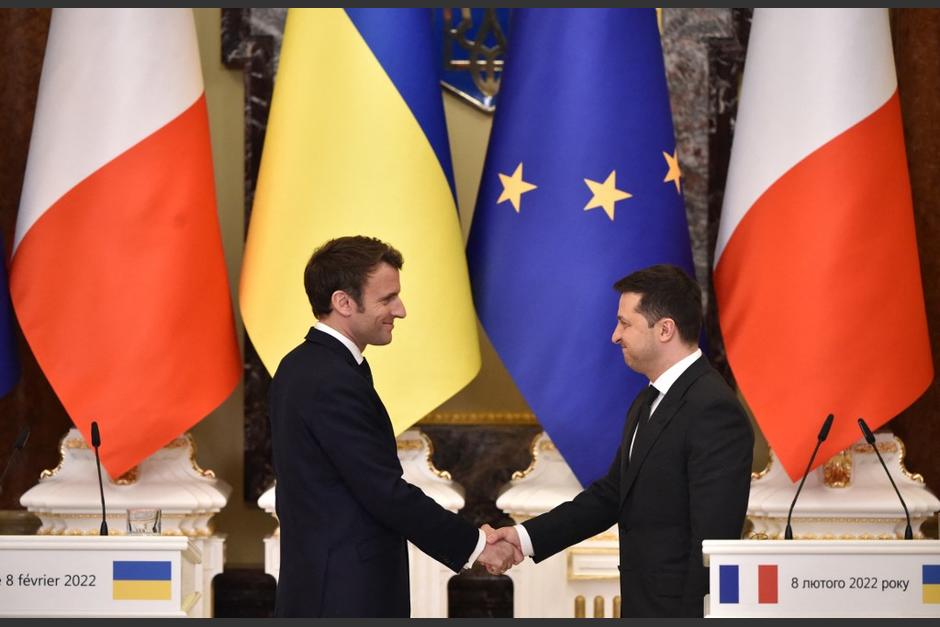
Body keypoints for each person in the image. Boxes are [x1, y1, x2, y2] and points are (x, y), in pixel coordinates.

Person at [269, 235, 520, 617]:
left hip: (329, 586)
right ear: (343, 302)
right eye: (387, 299)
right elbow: (382, 490)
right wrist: (476, 544)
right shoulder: (330, 378)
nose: (400, 310)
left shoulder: (306, 365)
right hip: (344, 595)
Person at [486, 264, 753, 617]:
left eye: (625, 323)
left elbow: (712, 541)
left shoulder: (714, 409)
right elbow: (612, 496)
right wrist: (523, 537)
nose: (615, 335)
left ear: (665, 329)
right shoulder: (648, 400)